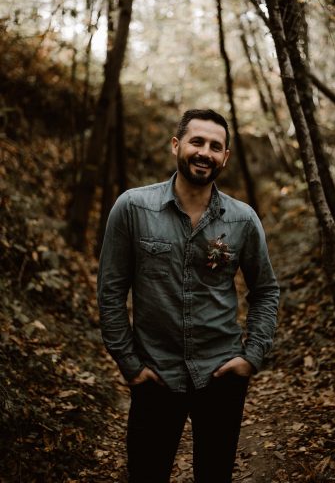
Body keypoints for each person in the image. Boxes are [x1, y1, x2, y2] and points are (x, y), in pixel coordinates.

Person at [97, 108, 279, 483]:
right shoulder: (132, 208)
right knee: (147, 473)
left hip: (222, 374)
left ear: (225, 157)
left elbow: (265, 290)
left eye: (216, 146)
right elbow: (111, 292)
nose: (205, 152)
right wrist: (130, 364)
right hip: (155, 376)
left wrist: (251, 356)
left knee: (214, 475)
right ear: (177, 144)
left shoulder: (243, 219)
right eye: (197, 141)